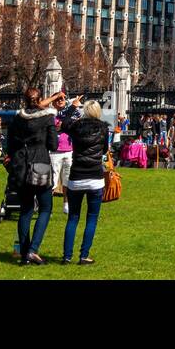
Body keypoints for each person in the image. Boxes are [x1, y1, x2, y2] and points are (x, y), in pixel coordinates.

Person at [7, 87, 62, 265]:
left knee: (26, 210)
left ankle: (24, 253)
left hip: (21, 165)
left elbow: (10, 144)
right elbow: (53, 145)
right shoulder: (47, 118)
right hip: (40, 163)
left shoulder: (17, 118)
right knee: (45, 208)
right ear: (39, 101)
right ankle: (33, 249)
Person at [58, 99, 110, 264]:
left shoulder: (76, 126)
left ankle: (67, 256)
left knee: (73, 217)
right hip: (95, 176)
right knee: (91, 218)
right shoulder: (103, 128)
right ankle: (84, 255)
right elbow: (105, 150)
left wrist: (72, 107)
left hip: (77, 175)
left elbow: (64, 123)